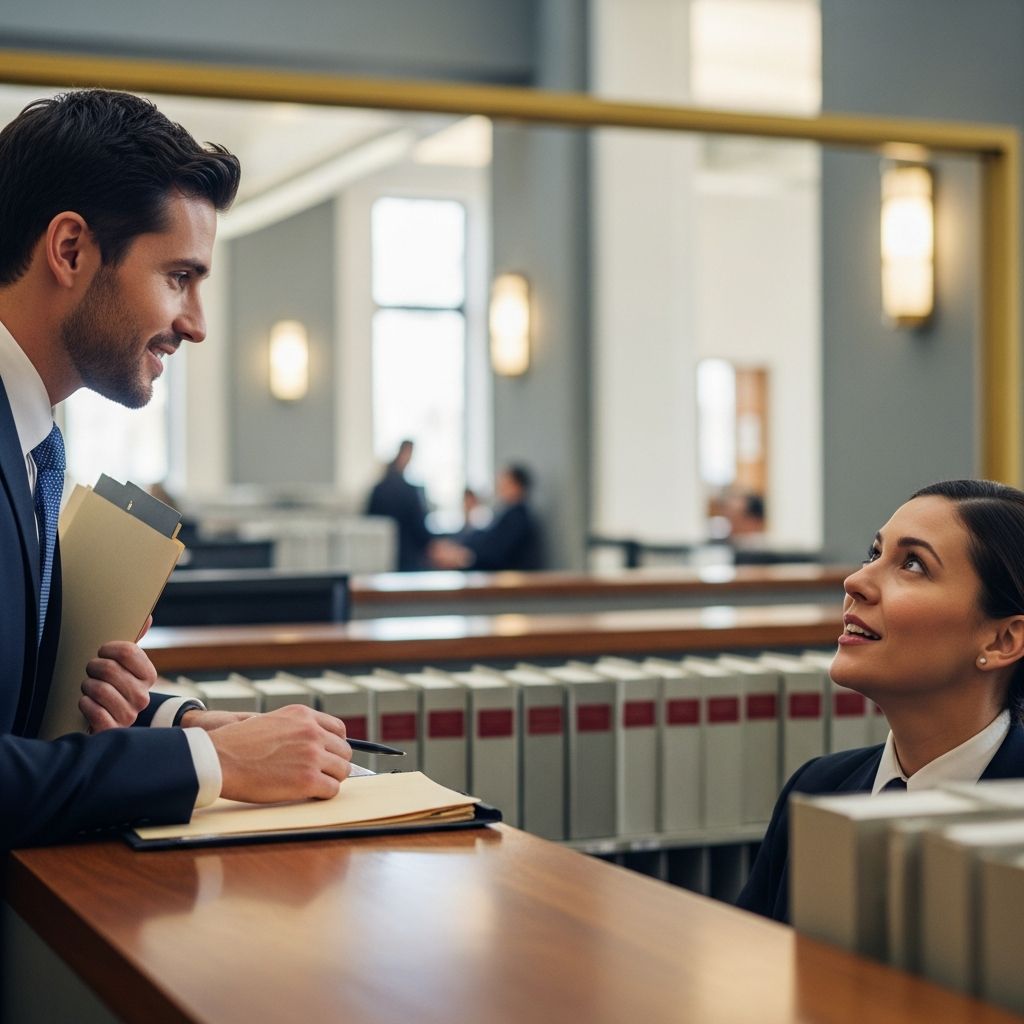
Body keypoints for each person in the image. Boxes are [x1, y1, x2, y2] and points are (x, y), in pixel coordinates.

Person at [0, 89, 352, 850]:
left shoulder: (34, 445)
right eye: (178, 277)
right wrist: (211, 763)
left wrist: (169, 720)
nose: (195, 324)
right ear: (70, 250)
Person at [737, 479, 1024, 921]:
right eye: (874, 554)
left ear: (1003, 640)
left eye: (913, 564)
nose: (855, 582)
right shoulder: (817, 788)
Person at [430, 463, 540, 571]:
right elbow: (487, 539)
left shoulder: (517, 517)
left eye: (505, 483)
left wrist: (466, 557)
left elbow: (497, 551)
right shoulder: (510, 513)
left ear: (518, 486)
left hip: (511, 577)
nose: (500, 486)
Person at [365, 439, 433, 571]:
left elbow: (368, 520)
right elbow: (420, 528)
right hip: (407, 557)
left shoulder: (378, 489)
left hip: (380, 558)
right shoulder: (409, 491)